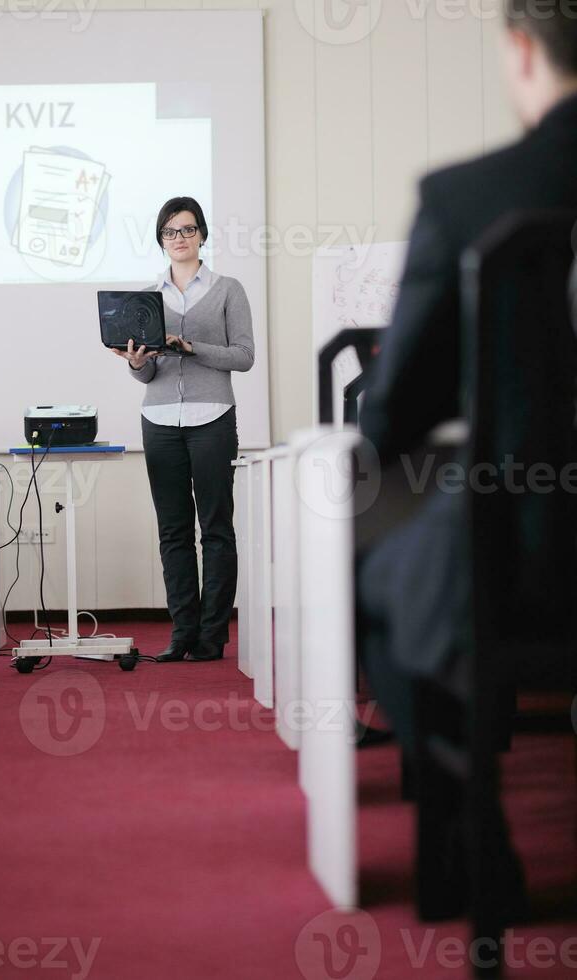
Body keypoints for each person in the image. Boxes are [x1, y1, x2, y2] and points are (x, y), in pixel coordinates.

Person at [356, 0, 577, 917]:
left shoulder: (468, 197)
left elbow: (395, 417)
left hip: (538, 557)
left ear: (522, 50)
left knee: (379, 562)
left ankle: (471, 843)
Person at [113, 196, 254, 662]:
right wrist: (137, 362)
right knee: (173, 531)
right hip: (158, 421)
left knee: (215, 529)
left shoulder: (228, 289)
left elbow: (244, 356)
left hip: (212, 417)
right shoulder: (147, 298)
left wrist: (191, 346)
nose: (180, 238)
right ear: (161, 239)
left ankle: (213, 637)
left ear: (203, 235)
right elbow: (148, 373)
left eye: (188, 229)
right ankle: (183, 634)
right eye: (171, 232)